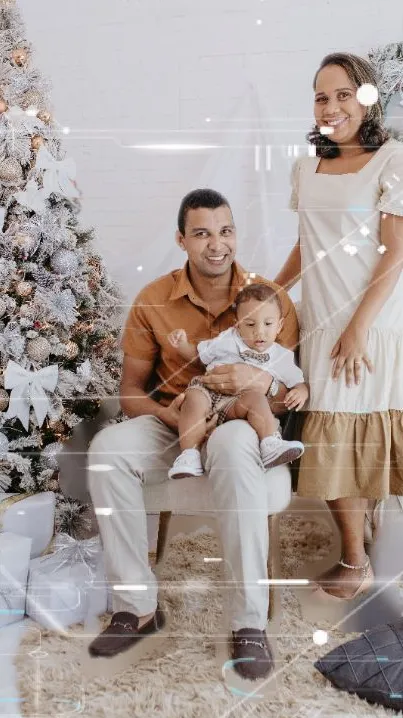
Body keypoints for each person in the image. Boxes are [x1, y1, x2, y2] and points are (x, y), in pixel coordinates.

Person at [87, 187, 299, 680]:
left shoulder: (269, 297)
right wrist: (175, 415)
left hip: (242, 421)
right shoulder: (154, 300)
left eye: (225, 231)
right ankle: (136, 608)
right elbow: (130, 393)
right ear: (182, 240)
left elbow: (290, 380)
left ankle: (249, 624)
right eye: (202, 233)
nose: (216, 244)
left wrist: (261, 382)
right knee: (106, 451)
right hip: (176, 419)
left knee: (234, 445)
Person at [274, 52, 403, 602]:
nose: (331, 107)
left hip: (372, 323)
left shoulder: (392, 160)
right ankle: (357, 555)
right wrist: (275, 294)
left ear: (366, 99)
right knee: (328, 436)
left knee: (366, 427)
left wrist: (358, 328)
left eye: (343, 94)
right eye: (322, 97)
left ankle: (369, 554)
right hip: (321, 323)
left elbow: (396, 252)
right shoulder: (306, 168)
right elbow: (308, 245)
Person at [167, 282, 307, 478]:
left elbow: (297, 382)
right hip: (208, 392)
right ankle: (189, 455)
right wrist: (181, 344)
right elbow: (198, 356)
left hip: (237, 403)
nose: (259, 332)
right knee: (192, 398)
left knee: (257, 400)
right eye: (250, 324)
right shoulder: (228, 339)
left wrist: (302, 391)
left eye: (268, 324)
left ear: (280, 325)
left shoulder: (281, 356)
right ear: (238, 323)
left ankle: (269, 443)